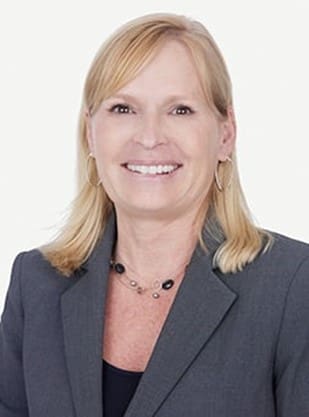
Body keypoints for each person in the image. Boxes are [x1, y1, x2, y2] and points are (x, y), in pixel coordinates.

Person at [0, 12, 308, 417]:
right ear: (90, 134)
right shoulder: (36, 285)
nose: (149, 137)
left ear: (225, 135)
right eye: (123, 108)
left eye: (180, 110)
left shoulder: (293, 287)